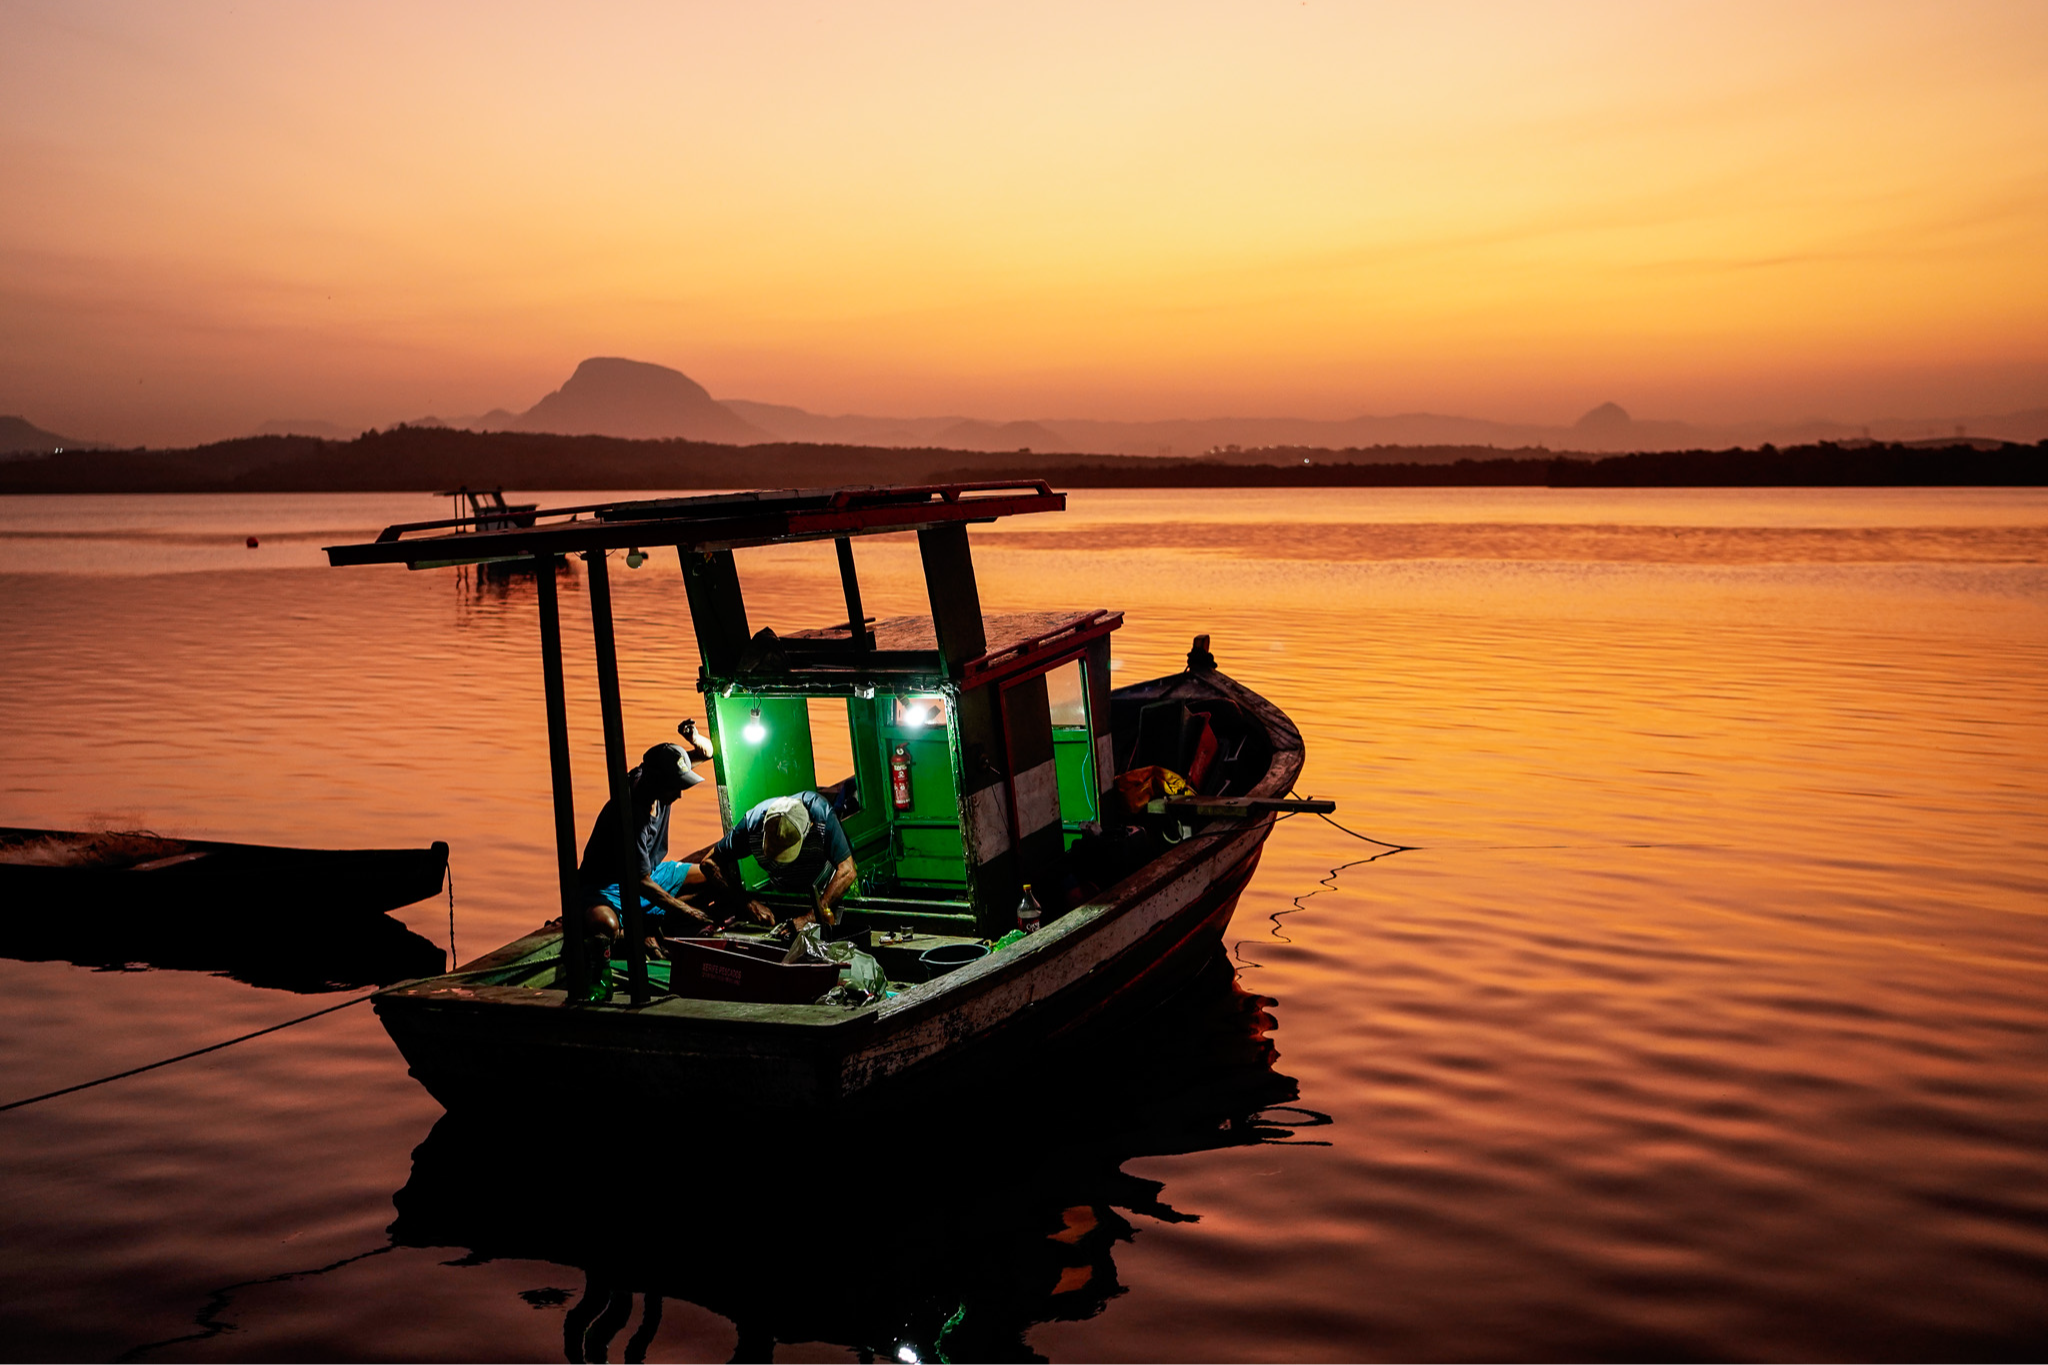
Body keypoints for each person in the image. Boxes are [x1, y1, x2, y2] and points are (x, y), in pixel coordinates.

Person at [576, 732, 755, 981]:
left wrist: (695, 738)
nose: (680, 795)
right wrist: (687, 911)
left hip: (653, 871)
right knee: (606, 926)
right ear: (657, 781)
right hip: (608, 887)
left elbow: (705, 753)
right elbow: (640, 883)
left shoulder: (654, 776)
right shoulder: (631, 815)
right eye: (676, 787)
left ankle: (650, 924)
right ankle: (640, 930)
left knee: (720, 877)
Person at [708, 789, 857, 929]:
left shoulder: (820, 815)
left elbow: (847, 871)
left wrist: (811, 917)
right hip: (785, 894)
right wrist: (747, 903)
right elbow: (709, 863)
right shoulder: (752, 823)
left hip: (827, 892)